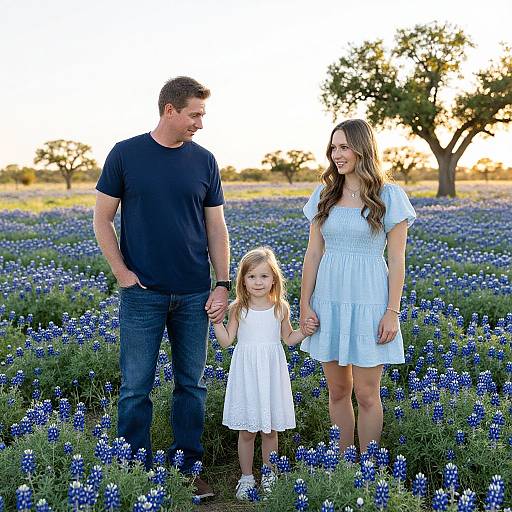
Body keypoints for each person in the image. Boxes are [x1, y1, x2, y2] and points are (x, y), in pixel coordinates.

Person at [93, 76, 230, 499]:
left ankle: (188, 467)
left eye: (202, 115)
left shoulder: (204, 161)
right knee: (136, 386)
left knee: (192, 384)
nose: (200, 124)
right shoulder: (125, 154)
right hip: (143, 294)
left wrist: (222, 283)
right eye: (195, 114)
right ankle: (132, 466)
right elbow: (102, 220)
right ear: (170, 110)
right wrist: (122, 274)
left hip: (194, 293)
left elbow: (216, 227)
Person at [299, 119, 416, 455]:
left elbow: (397, 260)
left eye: (344, 147)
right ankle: (343, 463)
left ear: (362, 148)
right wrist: (305, 304)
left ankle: (367, 466)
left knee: (366, 394)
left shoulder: (389, 196)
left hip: (369, 300)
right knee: (337, 391)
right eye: (333, 147)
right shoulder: (324, 195)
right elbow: (313, 252)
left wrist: (392, 312)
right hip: (329, 299)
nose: (336, 154)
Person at [209, 247, 318, 500]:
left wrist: (306, 331)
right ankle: (246, 477)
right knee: (247, 430)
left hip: (270, 372)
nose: (258, 282)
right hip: (247, 373)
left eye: (264, 276)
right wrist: (216, 321)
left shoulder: (280, 308)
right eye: (252, 276)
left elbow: (289, 339)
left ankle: (270, 475)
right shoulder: (238, 308)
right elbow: (226, 341)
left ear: (274, 280)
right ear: (243, 281)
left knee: (270, 431)